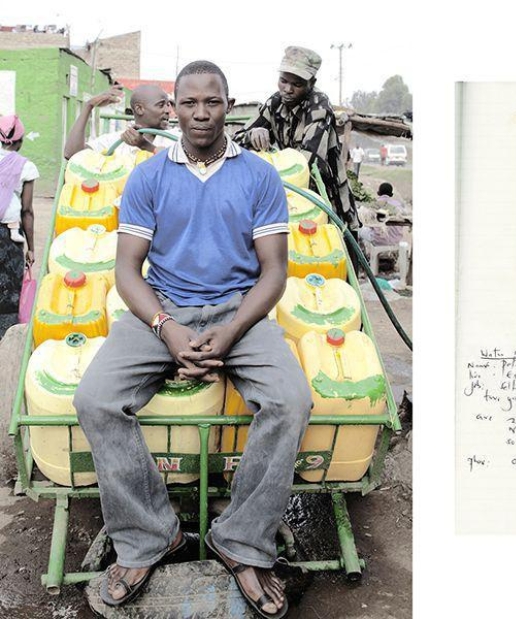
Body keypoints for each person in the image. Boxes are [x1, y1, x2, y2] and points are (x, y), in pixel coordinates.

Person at [73, 61, 311, 617]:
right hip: (163, 309)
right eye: (190, 103)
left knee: (291, 399)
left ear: (230, 106)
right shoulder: (149, 176)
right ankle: (149, 537)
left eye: (213, 102)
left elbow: (273, 273)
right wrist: (167, 328)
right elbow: (128, 271)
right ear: (173, 108)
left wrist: (228, 333)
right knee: (95, 398)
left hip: (239, 310)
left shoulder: (258, 175)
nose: (201, 114)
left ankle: (243, 541)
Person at [234, 46, 361, 232]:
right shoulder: (274, 103)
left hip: (321, 197)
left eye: (297, 84)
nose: (287, 89)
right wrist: (251, 135)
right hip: (289, 196)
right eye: (283, 81)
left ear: (311, 83)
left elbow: (307, 165)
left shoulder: (319, 107)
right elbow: (234, 141)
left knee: (332, 246)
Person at [64, 84, 177, 159]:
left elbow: (179, 168)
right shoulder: (114, 140)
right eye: (161, 105)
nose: (168, 110)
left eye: (168, 105)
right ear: (139, 109)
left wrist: (144, 145)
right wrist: (88, 106)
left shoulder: (177, 139)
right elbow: (73, 154)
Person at [0, 114, 36, 337]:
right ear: (20, 141)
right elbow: (27, 211)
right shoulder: (26, 166)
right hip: (9, 235)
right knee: (10, 290)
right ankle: (5, 338)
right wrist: (31, 248)